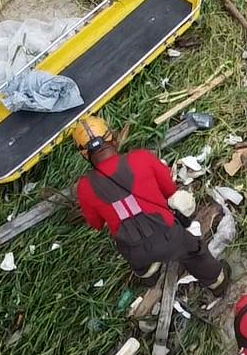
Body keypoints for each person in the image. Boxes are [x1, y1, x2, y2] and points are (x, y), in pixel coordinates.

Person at [72, 115, 229, 294]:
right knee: (194, 253)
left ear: (84, 154)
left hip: (134, 250)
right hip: (170, 237)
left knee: (138, 262)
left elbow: (97, 225)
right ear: (113, 138)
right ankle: (217, 282)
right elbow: (170, 191)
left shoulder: (84, 187)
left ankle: (148, 275)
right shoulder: (142, 158)